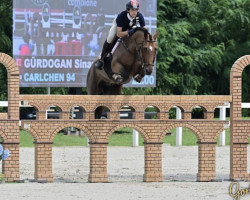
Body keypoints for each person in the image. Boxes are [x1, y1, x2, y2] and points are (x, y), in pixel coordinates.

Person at [94, 0, 147, 69]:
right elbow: (119, 34)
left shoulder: (139, 16)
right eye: (132, 10)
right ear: (128, 10)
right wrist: (129, 32)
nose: (135, 12)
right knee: (110, 38)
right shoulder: (121, 16)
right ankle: (101, 59)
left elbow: (145, 29)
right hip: (119, 27)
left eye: (136, 10)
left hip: (130, 28)